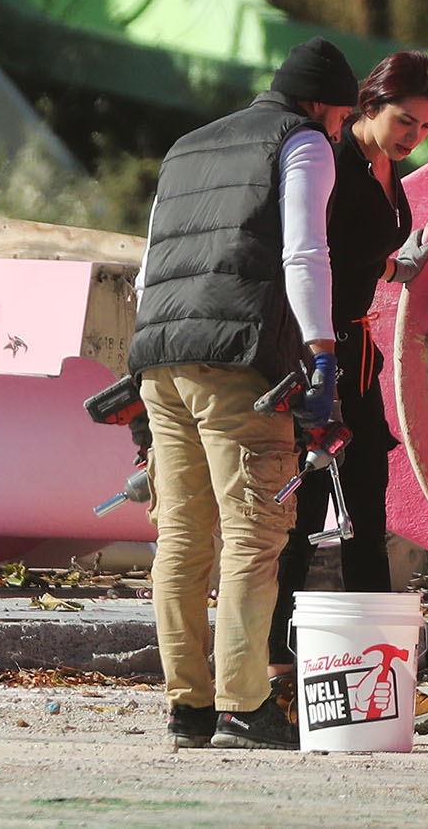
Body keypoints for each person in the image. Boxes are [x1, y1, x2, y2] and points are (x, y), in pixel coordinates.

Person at [131, 37, 356, 751]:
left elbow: (146, 269)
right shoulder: (304, 142)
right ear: (322, 104)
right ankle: (244, 706)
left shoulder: (187, 146)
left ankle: (187, 708)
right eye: (344, 119)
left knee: (182, 537)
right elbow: (303, 251)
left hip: (160, 358)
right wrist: (322, 351)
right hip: (238, 362)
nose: (343, 132)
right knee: (255, 536)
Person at [267, 50, 428, 681]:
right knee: (309, 505)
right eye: (405, 121)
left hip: (359, 350)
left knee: (368, 503)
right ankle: (277, 668)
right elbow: (312, 252)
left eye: (426, 128)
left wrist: (398, 267)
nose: (414, 138)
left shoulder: (386, 168)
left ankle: (382, 671)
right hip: (319, 351)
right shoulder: (333, 162)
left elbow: (358, 254)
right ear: (367, 106)